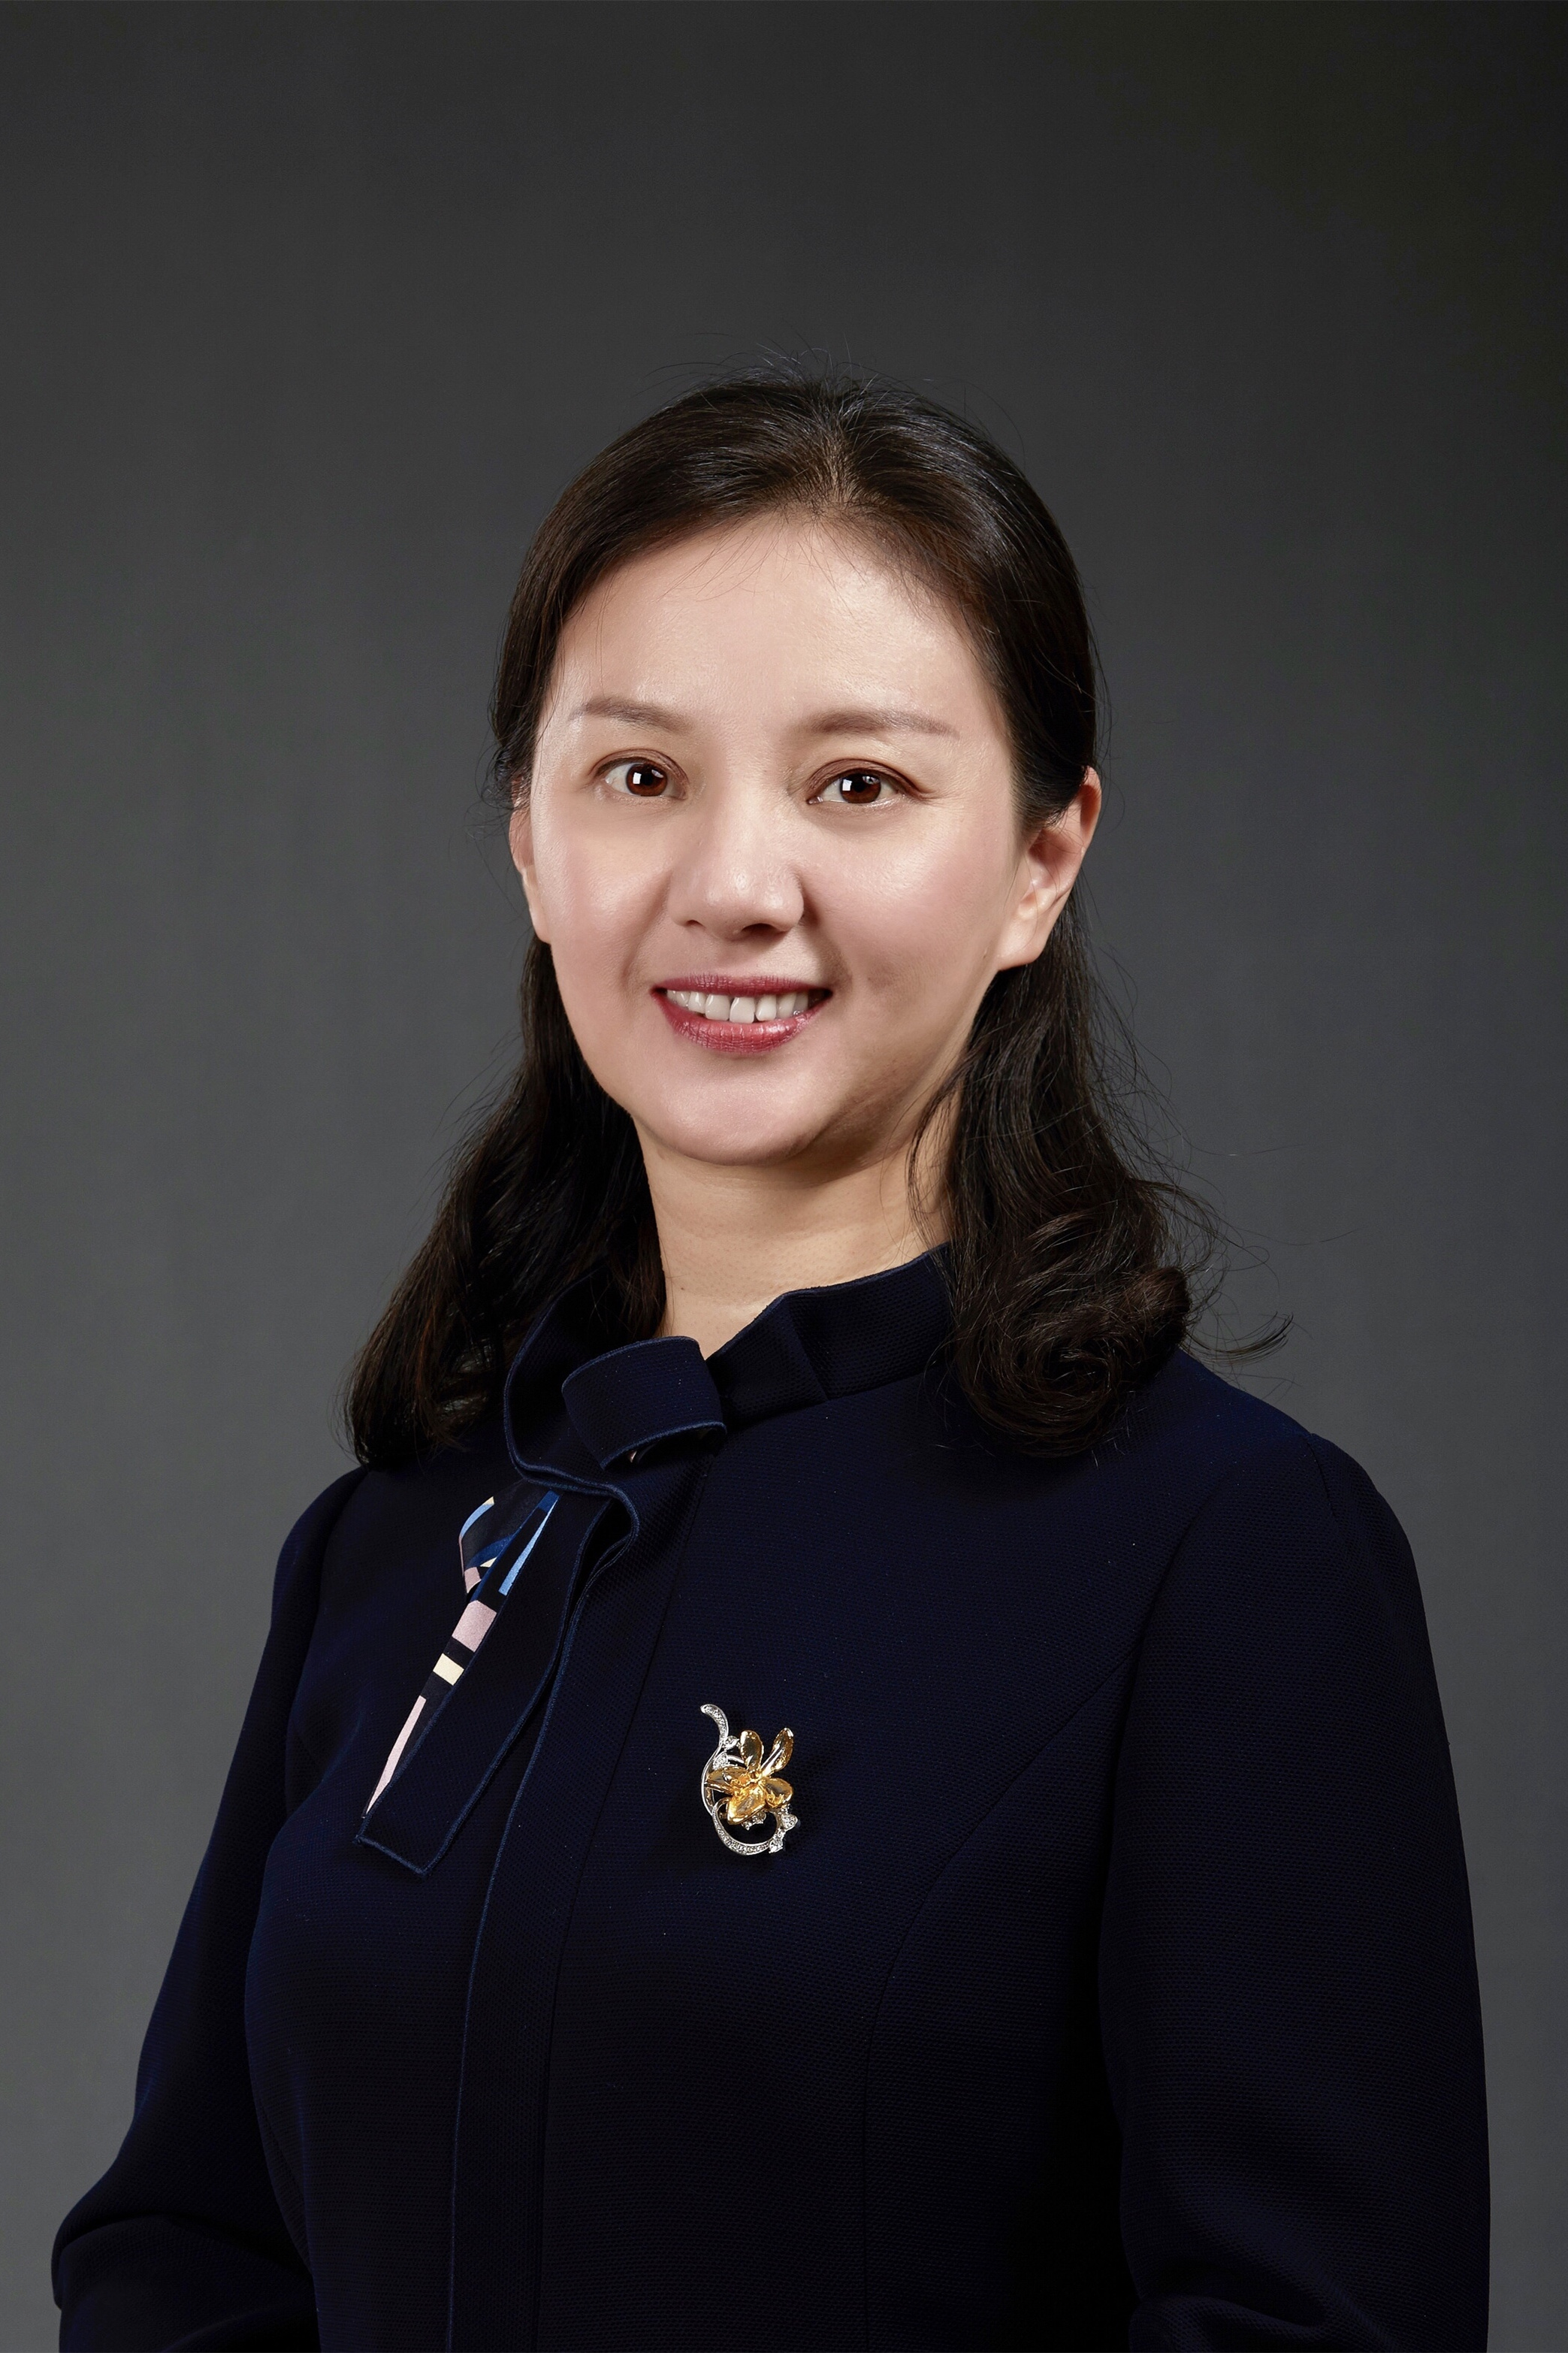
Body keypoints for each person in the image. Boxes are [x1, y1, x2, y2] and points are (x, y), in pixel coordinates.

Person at [54, 371, 1488, 2352]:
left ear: (1044, 858)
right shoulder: (397, 1541)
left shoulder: (1224, 1554)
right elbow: (183, 2252)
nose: (734, 884)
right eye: (640, 775)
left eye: (858, 784)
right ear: (529, 839)